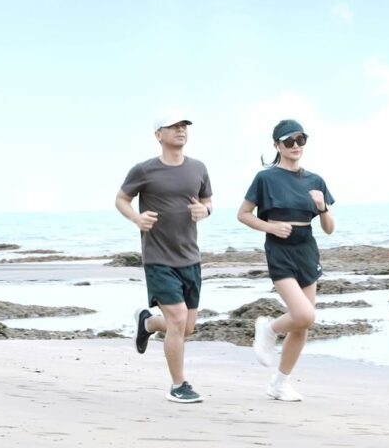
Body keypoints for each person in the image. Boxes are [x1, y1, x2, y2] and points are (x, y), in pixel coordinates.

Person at [115, 113, 213, 404]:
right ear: (159, 134)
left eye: (184, 126)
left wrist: (204, 211)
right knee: (179, 319)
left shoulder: (198, 168)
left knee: (187, 327)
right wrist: (136, 218)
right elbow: (121, 198)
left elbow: (208, 201)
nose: (181, 130)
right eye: (173, 126)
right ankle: (178, 385)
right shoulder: (144, 170)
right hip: (158, 257)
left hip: (190, 257)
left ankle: (147, 323)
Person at [237, 119, 335, 401]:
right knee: (303, 314)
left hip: (307, 248)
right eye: (289, 141)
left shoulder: (315, 181)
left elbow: (329, 228)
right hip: (279, 248)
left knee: (303, 324)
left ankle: (279, 384)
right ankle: (268, 329)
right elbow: (243, 214)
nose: (295, 146)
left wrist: (322, 206)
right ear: (277, 145)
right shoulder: (265, 178)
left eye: (300, 141)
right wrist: (270, 227)